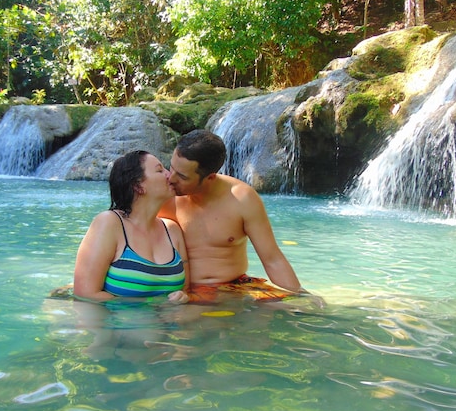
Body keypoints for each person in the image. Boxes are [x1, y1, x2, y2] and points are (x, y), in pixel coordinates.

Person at [159, 129, 323, 305]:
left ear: (210, 178)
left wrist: (300, 294)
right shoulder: (162, 194)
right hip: (182, 292)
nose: (171, 179)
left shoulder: (241, 199)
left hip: (234, 288)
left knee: (297, 309)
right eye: (171, 168)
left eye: (182, 176)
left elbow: (272, 259)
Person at [73, 150, 189, 303]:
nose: (170, 175)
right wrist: (150, 305)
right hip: (119, 325)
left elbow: (186, 289)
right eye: (160, 170)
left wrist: (184, 297)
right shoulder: (109, 223)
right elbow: (85, 293)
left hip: (168, 325)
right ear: (138, 186)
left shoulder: (172, 230)